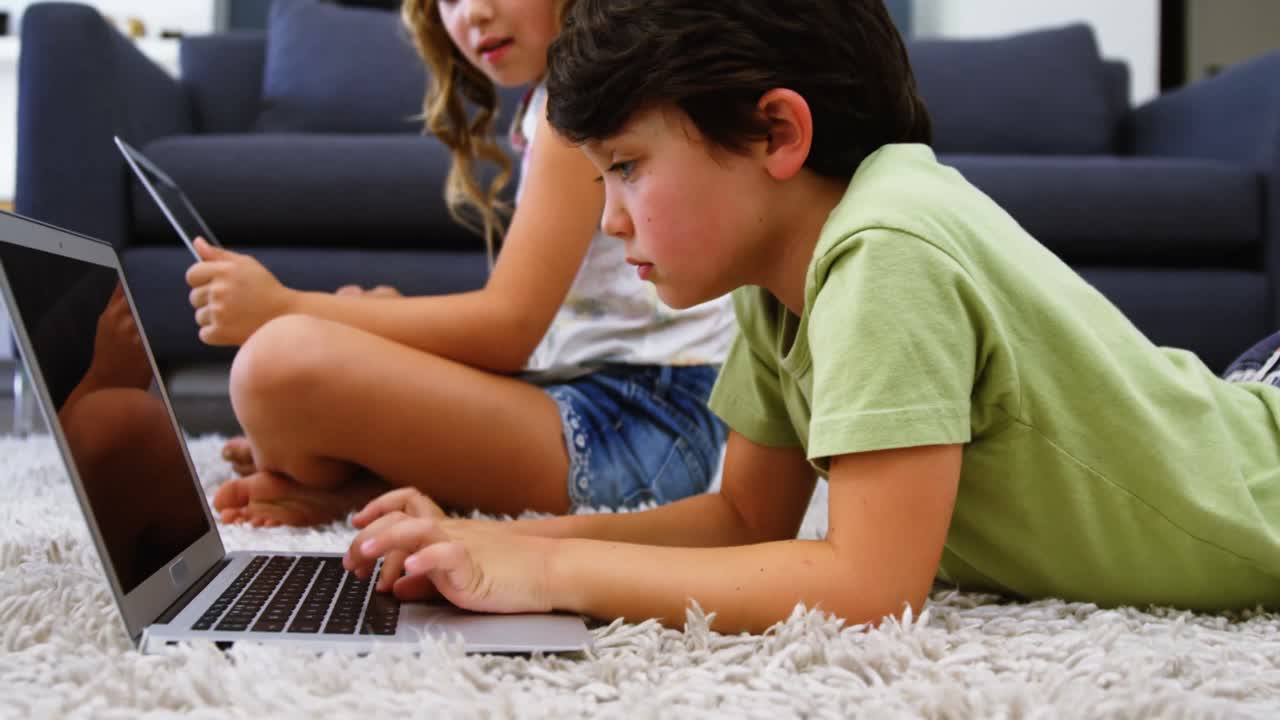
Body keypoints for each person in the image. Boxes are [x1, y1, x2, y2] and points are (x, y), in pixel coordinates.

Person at [339, 0, 1280, 634]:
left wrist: (547, 579)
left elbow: (870, 587)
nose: (612, 216)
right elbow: (746, 518)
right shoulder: (772, 277)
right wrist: (498, 541)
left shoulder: (885, 247)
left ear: (778, 134)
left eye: (626, 166)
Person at [186, 0, 736, 527]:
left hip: (638, 426)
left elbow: (506, 329)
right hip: (593, 404)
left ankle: (357, 480)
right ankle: (366, 483)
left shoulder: (575, 103)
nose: (471, 12)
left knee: (275, 363)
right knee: (327, 342)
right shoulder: (556, 100)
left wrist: (282, 306)